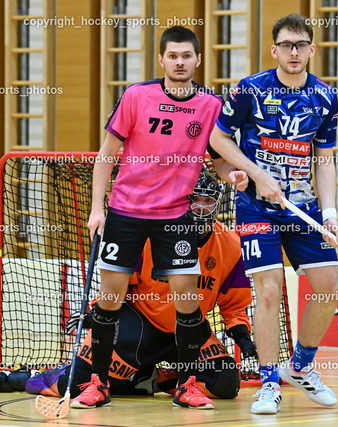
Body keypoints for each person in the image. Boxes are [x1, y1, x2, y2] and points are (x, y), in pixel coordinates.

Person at [0, 169, 256, 404]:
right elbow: (116, 287)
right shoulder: (152, 232)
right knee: (79, 382)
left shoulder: (230, 244)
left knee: (226, 383)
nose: (200, 207)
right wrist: (97, 315)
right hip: (138, 326)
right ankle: (31, 377)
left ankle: (155, 380)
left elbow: (233, 303)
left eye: (207, 201)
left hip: (190, 330)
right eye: (194, 199)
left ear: (218, 203)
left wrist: (242, 336)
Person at [86, 25, 247, 410]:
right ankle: (98, 382)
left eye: (186, 56)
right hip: (126, 212)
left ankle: (186, 384)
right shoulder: (136, 97)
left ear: (198, 60)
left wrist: (235, 175)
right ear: (161, 60)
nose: (179, 62)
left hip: (175, 218)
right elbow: (106, 155)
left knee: (187, 301)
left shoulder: (210, 106)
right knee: (109, 299)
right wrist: (97, 208)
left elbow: (220, 158)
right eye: (172, 56)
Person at [209, 14, 338, 414]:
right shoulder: (249, 90)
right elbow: (218, 138)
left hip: (303, 210)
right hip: (256, 206)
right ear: (275, 50)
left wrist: (332, 214)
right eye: (286, 45)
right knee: (268, 291)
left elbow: (325, 160)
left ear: (312, 49)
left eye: (301, 45)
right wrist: (256, 175)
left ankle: (299, 368)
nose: (294, 52)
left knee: (328, 286)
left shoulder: (325, 97)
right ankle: (268, 383)